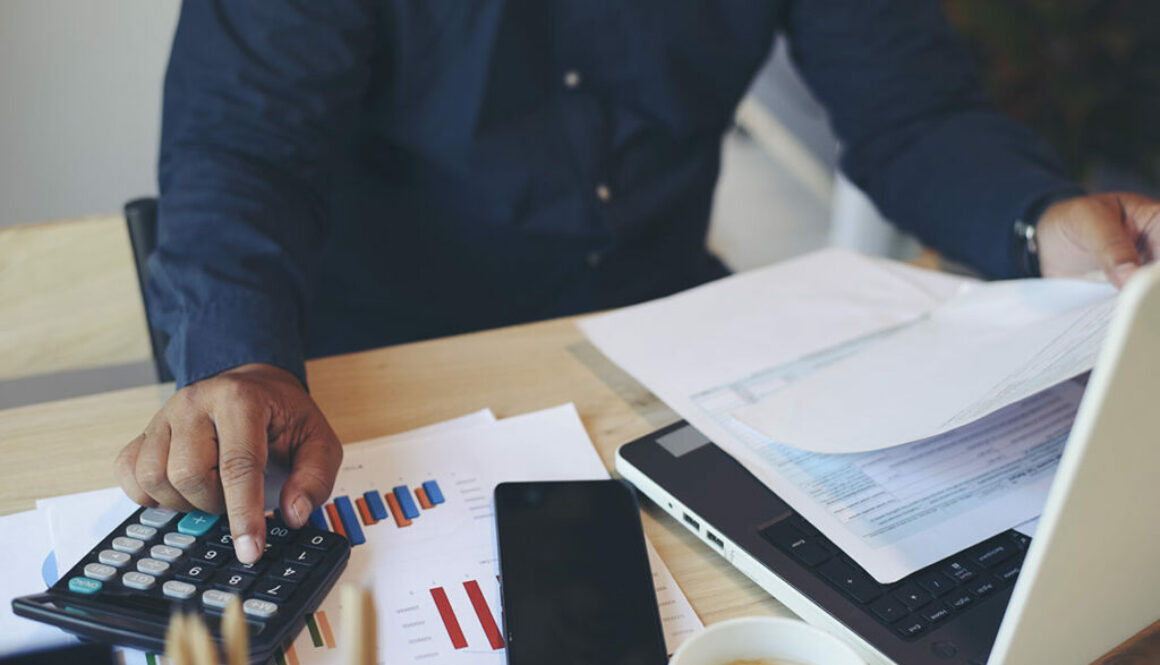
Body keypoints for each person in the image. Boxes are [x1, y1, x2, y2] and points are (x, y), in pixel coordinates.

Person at [115, 0, 1160, 563]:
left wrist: (1038, 221)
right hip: (377, 372)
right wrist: (243, 354)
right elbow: (243, 149)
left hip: (657, 351)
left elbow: (913, 112)